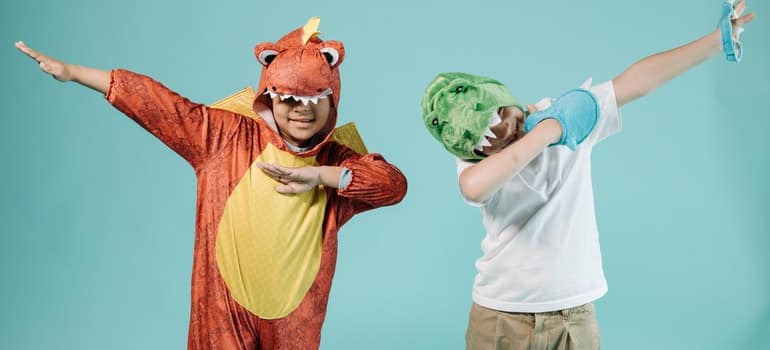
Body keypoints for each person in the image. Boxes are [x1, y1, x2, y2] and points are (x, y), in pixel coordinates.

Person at [16, 17, 407, 350]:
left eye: (313, 100)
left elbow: (393, 185)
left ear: (331, 100)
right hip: (222, 312)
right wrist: (74, 73)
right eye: (288, 99)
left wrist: (323, 176)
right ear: (269, 97)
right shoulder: (224, 138)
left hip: (295, 321)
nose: (299, 112)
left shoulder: (338, 162)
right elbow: (156, 103)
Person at [420, 1, 754, 349]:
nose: (505, 132)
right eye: (486, 139)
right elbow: (473, 189)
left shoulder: (570, 113)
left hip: (573, 315)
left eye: (502, 116)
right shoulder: (478, 161)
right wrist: (549, 131)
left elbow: (636, 82)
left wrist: (716, 41)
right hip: (500, 315)